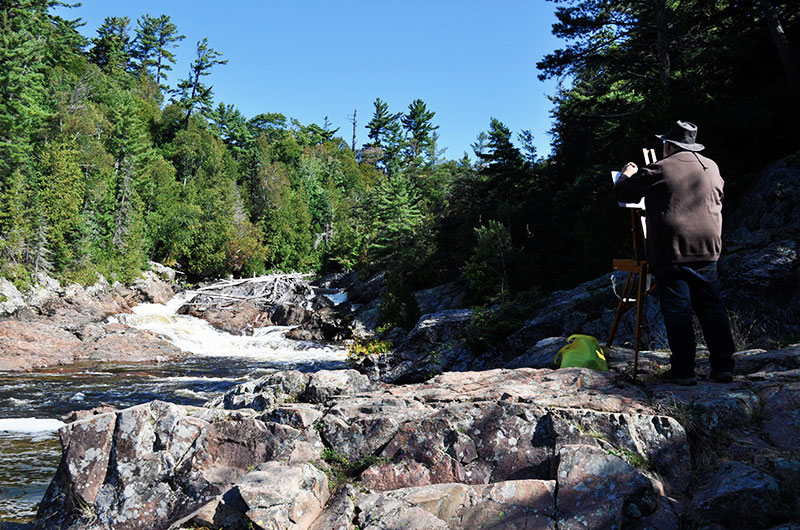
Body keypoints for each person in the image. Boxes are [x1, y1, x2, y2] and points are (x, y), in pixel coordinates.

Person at [614, 120, 735, 385]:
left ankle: (684, 371)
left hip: (673, 251)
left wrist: (626, 173)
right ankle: (724, 367)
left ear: (668, 145)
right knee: (712, 308)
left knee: (678, 310)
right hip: (708, 248)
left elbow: (623, 192)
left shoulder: (660, 167)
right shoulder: (711, 167)